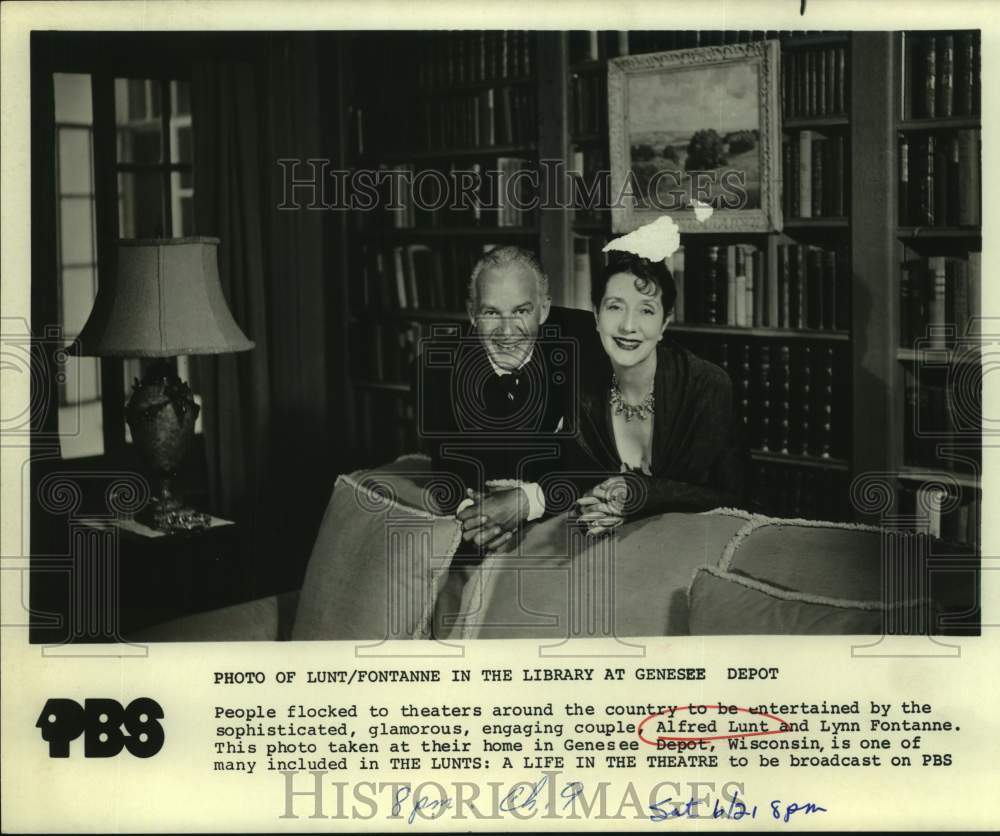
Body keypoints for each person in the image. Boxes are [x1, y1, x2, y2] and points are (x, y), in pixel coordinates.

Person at [420, 245, 592, 551]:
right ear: (472, 313)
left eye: (521, 311)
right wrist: (472, 517)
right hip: (483, 527)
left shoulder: (589, 348)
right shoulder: (432, 370)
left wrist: (527, 502)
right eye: (491, 313)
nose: (507, 331)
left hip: (558, 520)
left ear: (544, 309)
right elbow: (445, 466)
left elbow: (602, 458)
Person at [572, 251, 746, 534]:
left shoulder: (707, 385)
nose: (628, 326)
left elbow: (734, 497)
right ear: (596, 315)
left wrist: (642, 495)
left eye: (646, 310)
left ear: (664, 323)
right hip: (611, 547)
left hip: (693, 545)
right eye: (615, 307)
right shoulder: (581, 387)